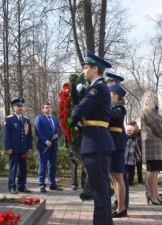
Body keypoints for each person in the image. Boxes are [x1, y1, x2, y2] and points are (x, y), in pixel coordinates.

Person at [70, 50, 115, 225]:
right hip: (96, 142)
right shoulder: (99, 88)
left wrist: (74, 117)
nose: (83, 71)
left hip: (96, 143)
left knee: (100, 189)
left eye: (86, 67)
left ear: (95, 69)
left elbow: (80, 109)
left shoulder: (98, 88)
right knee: (100, 187)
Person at [140, 91, 162, 205]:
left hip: (156, 144)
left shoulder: (154, 111)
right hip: (152, 144)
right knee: (152, 171)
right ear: (150, 99)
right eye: (155, 98)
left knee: (156, 171)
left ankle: (155, 194)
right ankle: (151, 196)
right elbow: (156, 127)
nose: (157, 100)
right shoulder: (148, 110)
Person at [3, 98, 33, 194]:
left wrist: (29, 146)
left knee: (23, 169)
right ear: (13, 107)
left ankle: (21, 186)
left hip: (23, 149)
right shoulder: (9, 119)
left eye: (21, 106)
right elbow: (6, 135)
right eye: (18, 106)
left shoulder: (26, 120)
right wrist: (8, 147)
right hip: (13, 149)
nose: (20, 108)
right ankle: (12, 187)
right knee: (13, 169)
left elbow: (29, 135)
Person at [108, 84, 128, 218]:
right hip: (111, 145)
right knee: (114, 178)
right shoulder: (113, 107)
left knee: (118, 178)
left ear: (116, 96)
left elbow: (111, 115)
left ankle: (121, 208)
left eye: (109, 95)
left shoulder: (120, 108)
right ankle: (119, 205)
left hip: (117, 146)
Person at [34, 102, 62, 192]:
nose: (48, 109)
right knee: (43, 165)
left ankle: (52, 184)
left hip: (53, 146)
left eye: (49, 107)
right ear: (43, 109)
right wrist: (46, 141)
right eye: (46, 107)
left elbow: (60, 130)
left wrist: (57, 135)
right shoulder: (39, 118)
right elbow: (37, 131)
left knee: (52, 166)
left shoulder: (55, 119)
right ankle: (42, 184)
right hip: (44, 146)